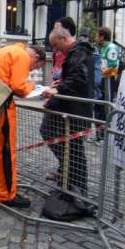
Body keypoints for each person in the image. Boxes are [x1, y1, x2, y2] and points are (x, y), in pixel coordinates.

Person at [0, 43, 46, 208]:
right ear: (35, 57)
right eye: (35, 67)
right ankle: (6, 195)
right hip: (0, 106)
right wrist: (35, 86)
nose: (31, 70)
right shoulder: (21, 55)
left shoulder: (2, 51)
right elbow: (20, 87)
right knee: (3, 151)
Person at [41, 28, 95, 195]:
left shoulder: (79, 52)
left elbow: (79, 79)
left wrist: (59, 89)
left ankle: (77, 189)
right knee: (66, 145)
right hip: (72, 108)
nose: (56, 50)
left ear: (64, 38)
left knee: (74, 149)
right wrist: (60, 85)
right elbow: (75, 78)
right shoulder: (76, 52)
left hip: (76, 110)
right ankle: (69, 180)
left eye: (56, 45)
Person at [52, 17, 76, 81]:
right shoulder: (57, 47)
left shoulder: (76, 51)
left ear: (67, 30)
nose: (54, 32)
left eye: (57, 29)